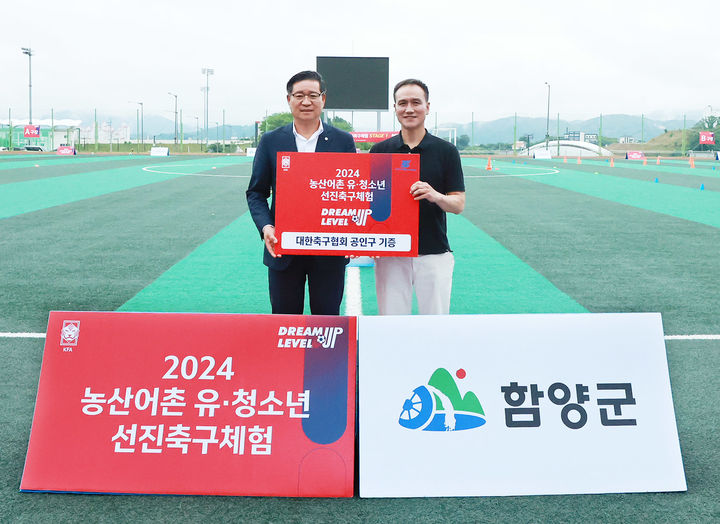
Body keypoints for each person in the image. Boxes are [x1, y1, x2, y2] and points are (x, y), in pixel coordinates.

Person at [246, 70, 356, 315]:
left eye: (313, 95)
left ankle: (325, 356)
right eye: (299, 95)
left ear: (323, 100)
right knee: (284, 320)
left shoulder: (343, 141)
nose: (306, 101)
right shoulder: (271, 140)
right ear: (289, 100)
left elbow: (351, 192)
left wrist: (353, 233)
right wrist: (266, 227)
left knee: (327, 321)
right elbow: (256, 192)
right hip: (283, 249)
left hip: (329, 251)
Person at [370, 79, 465, 315]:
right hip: (391, 254)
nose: (409, 109)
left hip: (434, 252)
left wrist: (435, 196)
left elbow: (458, 204)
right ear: (395, 108)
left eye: (416, 102)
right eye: (402, 103)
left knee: (435, 325)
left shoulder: (446, 151)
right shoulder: (380, 151)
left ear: (427, 106)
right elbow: (370, 202)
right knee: (391, 324)